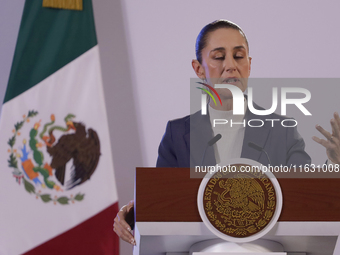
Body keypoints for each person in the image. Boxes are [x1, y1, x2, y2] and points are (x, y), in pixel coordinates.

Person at [113, 19, 340, 246]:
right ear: (198, 68)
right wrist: (135, 211)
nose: (231, 65)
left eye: (238, 56)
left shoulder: (282, 131)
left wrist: (334, 164)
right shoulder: (178, 134)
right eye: (219, 57)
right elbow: (163, 203)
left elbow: (310, 198)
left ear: (249, 65)